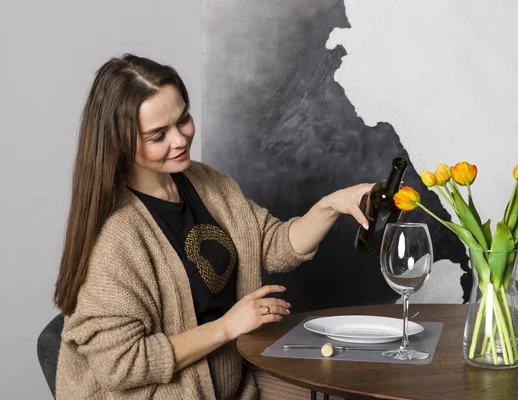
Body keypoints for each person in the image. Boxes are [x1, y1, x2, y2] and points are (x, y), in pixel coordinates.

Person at [54, 53, 373, 399]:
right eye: (158, 135)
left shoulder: (204, 182)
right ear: (119, 142)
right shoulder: (115, 236)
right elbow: (122, 365)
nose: (180, 139)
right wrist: (227, 327)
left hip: (235, 385)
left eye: (184, 119)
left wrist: (332, 205)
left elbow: (275, 246)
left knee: (350, 392)